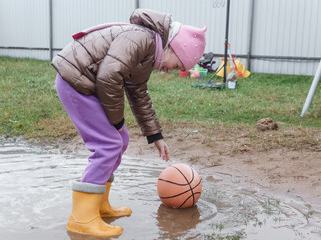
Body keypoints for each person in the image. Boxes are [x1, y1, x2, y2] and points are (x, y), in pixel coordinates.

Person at [52, 8, 206, 237]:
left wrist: (156, 136)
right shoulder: (141, 39)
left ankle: (98, 205)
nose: (173, 70)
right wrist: (116, 122)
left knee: (120, 140)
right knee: (109, 143)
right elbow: (109, 76)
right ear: (174, 48)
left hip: (87, 82)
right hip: (75, 80)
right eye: (178, 65)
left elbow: (138, 93)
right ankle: (81, 218)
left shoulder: (148, 51)